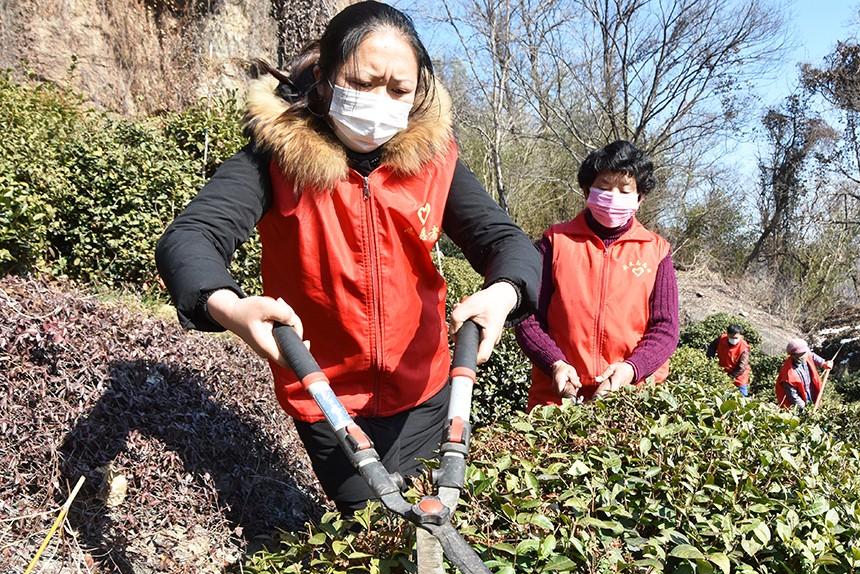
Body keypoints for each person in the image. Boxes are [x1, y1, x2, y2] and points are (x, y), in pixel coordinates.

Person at [155, 2, 540, 516]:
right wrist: (228, 306)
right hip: (325, 398)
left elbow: (504, 240)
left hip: (426, 391)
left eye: (399, 90)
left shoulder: (434, 159)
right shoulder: (274, 159)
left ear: (419, 92)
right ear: (325, 77)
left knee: (431, 525)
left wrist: (502, 292)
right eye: (361, 82)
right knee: (369, 527)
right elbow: (192, 237)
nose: (380, 101)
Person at [515, 140, 679, 409]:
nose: (613, 196)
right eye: (603, 187)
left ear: (640, 198)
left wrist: (631, 369)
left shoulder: (657, 251)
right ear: (586, 190)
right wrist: (554, 362)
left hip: (629, 400)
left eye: (625, 190)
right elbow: (528, 318)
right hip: (556, 398)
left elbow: (665, 329)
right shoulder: (554, 242)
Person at [775, 338, 833, 410]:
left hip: (810, 391)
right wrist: (805, 410)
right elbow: (794, 397)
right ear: (794, 355)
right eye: (803, 354)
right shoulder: (788, 376)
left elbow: (812, 356)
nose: (806, 355)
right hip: (797, 404)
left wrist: (823, 363)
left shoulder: (804, 355)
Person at [706, 323, 751, 396]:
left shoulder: (744, 348)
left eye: (736, 338)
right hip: (722, 372)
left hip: (738, 377)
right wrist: (711, 361)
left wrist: (729, 377)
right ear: (727, 334)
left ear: (740, 336)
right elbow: (711, 347)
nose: (734, 340)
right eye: (731, 338)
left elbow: (741, 367)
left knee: (742, 398)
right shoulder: (721, 339)